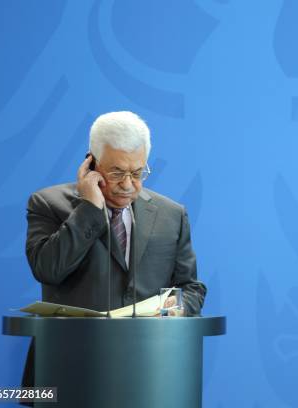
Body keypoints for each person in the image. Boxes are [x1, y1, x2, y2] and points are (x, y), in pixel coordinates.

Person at [23, 111, 206, 387]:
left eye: (137, 172)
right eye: (117, 172)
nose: (128, 185)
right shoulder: (47, 204)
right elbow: (48, 269)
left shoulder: (172, 214)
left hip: (149, 371)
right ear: (91, 162)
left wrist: (170, 310)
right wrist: (90, 208)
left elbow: (190, 289)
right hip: (66, 368)